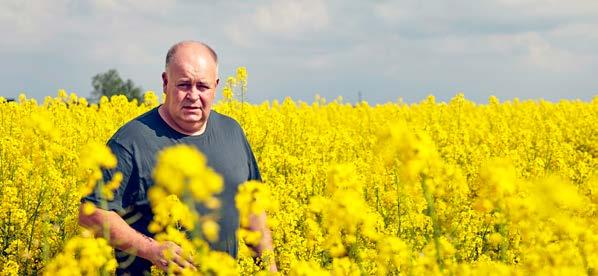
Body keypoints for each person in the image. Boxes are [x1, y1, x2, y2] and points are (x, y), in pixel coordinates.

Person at [79, 41, 277, 275]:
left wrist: (269, 269)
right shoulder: (130, 141)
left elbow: (253, 211)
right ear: (165, 83)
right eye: (184, 85)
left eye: (202, 86)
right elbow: (91, 213)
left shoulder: (232, 132)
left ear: (216, 86)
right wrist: (152, 250)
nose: (193, 95)